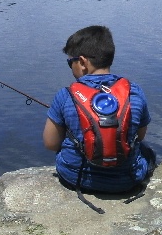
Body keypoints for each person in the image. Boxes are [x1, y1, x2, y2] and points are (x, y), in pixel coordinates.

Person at [43, 25, 156, 205]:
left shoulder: (65, 95)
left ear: (82, 62)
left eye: (69, 62)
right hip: (126, 181)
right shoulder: (135, 92)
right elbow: (140, 136)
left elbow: (50, 143)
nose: (70, 67)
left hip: (74, 177)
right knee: (148, 151)